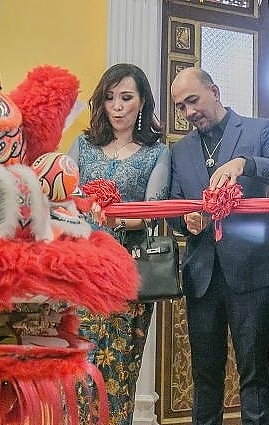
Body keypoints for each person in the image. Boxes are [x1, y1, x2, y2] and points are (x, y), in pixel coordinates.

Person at [168, 67, 269, 425]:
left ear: (214, 91)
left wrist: (246, 164)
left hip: (253, 273)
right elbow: (174, 205)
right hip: (201, 276)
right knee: (205, 377)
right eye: (181, 107)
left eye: (192, 101)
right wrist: (186, 221)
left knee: (255, 374)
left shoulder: (258, 130)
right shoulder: (180, 150)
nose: (188, 112)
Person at [68, 63, 170, 425]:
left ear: (142, 102)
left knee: (119, 371)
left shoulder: (156, 151)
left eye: (126, 98)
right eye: (109, 98)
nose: (117, 106)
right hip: (81, 271)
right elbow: (64, 197)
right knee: (76, 367)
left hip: (128, 272)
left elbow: (154, 211)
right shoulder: (82, 144)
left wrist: (115, 216)